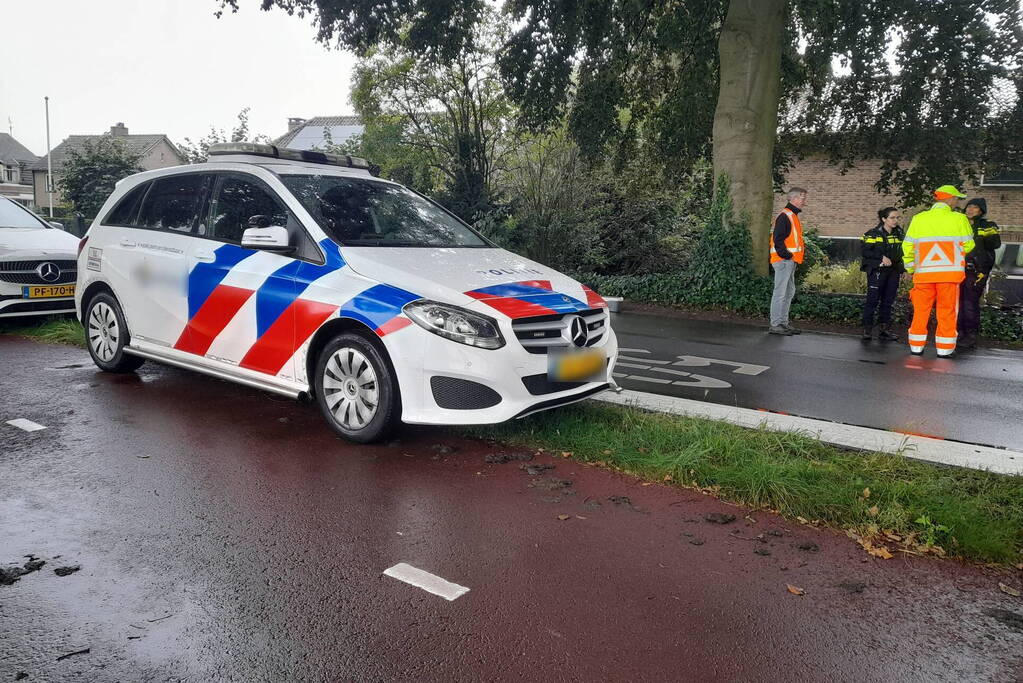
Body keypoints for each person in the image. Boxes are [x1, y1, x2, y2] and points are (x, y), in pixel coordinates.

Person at [902, 185, 975, 357]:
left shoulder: (919, 219)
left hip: (923, 275)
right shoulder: (959, 219)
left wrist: (911, 268)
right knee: (947, 311)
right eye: (957, 198)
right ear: (949, 199)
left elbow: (908, 246)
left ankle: (916, 347)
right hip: (949, 275)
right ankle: (944, 349)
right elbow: (969, 245)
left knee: (920, 311)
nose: (957, 202)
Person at [958, 197, 1001, 349]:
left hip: (977, 271)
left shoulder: (986, 225)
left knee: (970, 302)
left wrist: (986, 232)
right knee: (959, 302)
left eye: (975, 207)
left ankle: (970, 334)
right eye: (969, 206)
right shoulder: (959, 223)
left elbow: (994, 244)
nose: (970, 209)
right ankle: (959, 332)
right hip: (959, 268)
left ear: (981, 211)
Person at [860, 207, 905, 341]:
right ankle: (867, 330)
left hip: (893, 272)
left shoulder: (899, 234)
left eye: (897, 217)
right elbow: (865, 252)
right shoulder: (873, 234)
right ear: (883, 219)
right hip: (877, 271)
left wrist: (903, 270)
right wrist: (880, 258)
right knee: (872, 300)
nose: (895, 220)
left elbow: (903, 253)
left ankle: (884, 330)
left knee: (888, 301)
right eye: (892, 218)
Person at [768, 187, 807, 335]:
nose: (804, 201)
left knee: (789, 292)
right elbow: (778, 240)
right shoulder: (786, 216)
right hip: (784, 261)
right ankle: (776, 324)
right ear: (794, 199)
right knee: (780, 293)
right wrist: (787, 256)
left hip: (788, 261)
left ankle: (783, 322)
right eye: (802, 198)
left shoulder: (791, 216)